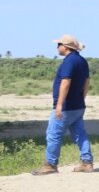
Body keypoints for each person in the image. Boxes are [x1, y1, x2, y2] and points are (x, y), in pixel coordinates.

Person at [32, 34, 93, 175]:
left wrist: (59, 105)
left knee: (53, 134)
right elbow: (86, 82)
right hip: (78, 106)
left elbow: (66, 82)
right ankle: (87, 162)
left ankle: (50, 165)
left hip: (66, 107)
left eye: (58, 44)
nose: (57, 47)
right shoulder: (82, 61)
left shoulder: (69, 62)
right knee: (80, 134)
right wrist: (81, 98)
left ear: (65, 47)